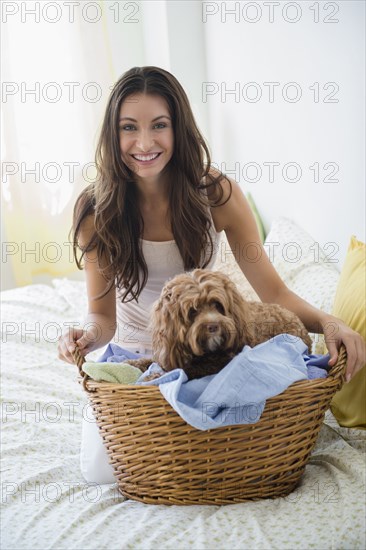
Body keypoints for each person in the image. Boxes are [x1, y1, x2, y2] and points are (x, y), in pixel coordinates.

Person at [57, 65, 365, 381]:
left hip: (208, 358)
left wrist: (330, 322)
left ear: (179, 128)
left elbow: (273, 293)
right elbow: (102, 316)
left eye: (159, 125)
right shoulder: (97, 210)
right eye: (129, 128)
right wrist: (86, 336)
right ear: (113, 132)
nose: (145, 143)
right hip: (133, 360)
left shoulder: (217, 194)